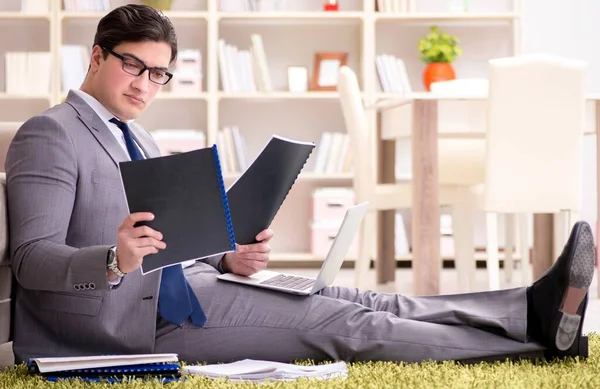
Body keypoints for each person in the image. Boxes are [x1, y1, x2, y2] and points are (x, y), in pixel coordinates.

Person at [5, 4, 595, 365]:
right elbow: (31, 259)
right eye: (133, 65)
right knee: (346, 326)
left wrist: (226, 253)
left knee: (367, 299)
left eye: (158, 74)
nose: (144, 84)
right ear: (97, 56)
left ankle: (526, 307)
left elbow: (168, 245)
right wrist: (114, 258)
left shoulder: (138, 137)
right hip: (131, 324)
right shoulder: (51, 133)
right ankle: (537, 344)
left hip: (185, 288)